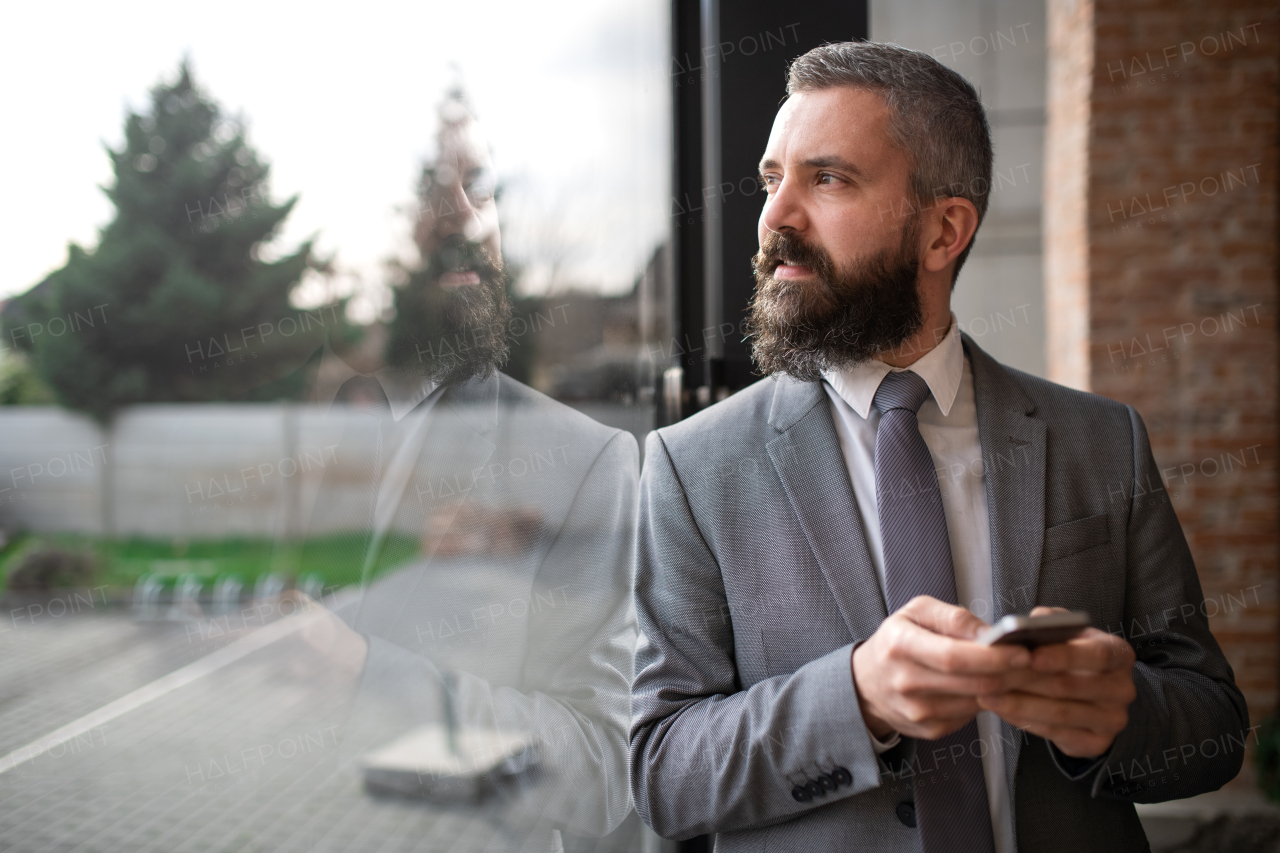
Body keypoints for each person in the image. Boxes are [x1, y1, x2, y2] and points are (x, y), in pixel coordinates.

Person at [629, 41, 1247, 853]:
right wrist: (856, 699)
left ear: (942, 231)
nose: (775, 215)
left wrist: (1115, 714)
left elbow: (1214, 723)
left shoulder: (1104, 441)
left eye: (828, 178)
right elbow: (663, 774)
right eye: (773, 178)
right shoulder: (691, 467)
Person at [297, 93, 639, 852]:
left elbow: (600, 770)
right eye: (428, 188)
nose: (460, 213)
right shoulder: (299, 435)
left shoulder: (582, 464)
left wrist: (367, 676)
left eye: (480, 186)